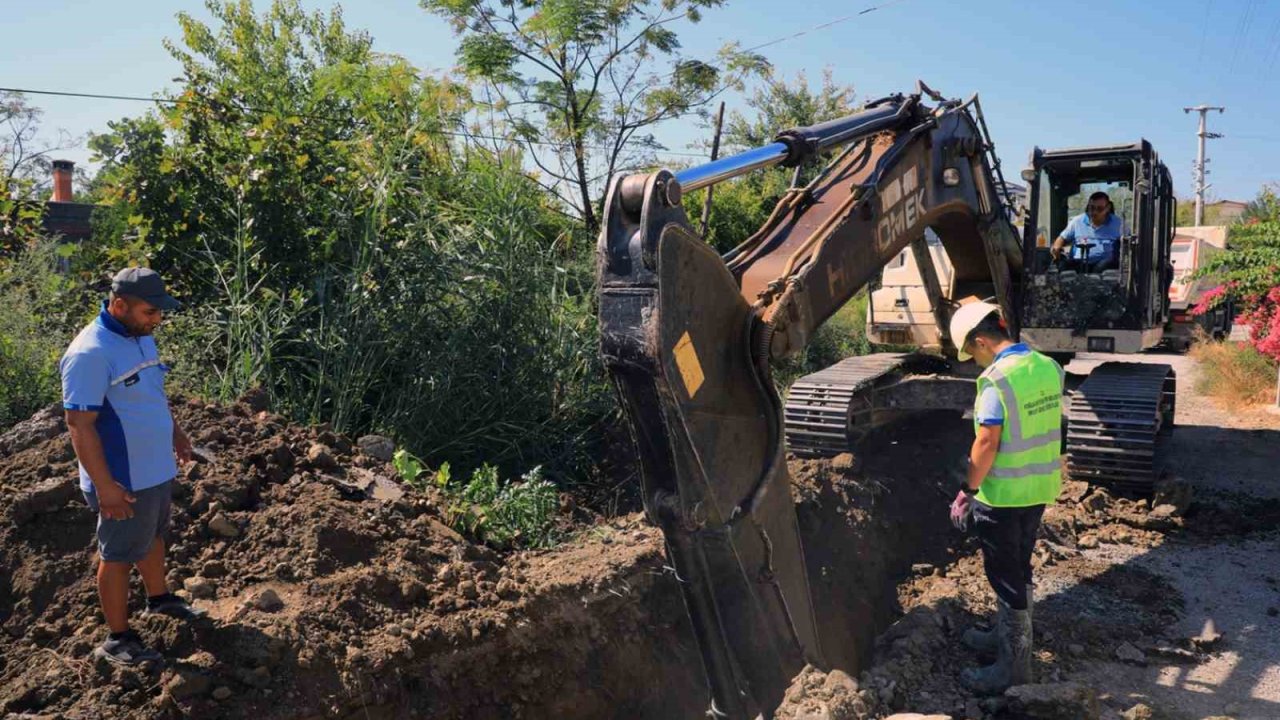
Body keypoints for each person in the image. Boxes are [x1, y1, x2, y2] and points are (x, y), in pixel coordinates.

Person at [60, 267, 204, 666]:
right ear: (119, 305)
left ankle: (159, 600)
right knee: (119, 554)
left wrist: (176, 433)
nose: (156, 319)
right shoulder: (90, 353)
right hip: (122, 478)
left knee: (153, 535)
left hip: (154, 468)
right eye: (149, 311)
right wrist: (106, 487)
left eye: (159, 312)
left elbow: (153, 394)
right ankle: (117, 639)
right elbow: (79, 425)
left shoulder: (139, 336)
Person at [947, 302, 1064, 694]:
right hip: (1037, 488)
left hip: (1003, 496)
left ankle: (1012, 668)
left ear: (981, 341)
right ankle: (1004, 635)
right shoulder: (1047, 367)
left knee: (1004, 574)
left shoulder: (996, 382)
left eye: (973, 353)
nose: (976, 362)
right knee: (1020, 566)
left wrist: (969, 489)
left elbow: (987, 441)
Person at [1049, 191, 1124, 272]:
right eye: (1091, 208)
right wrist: (1056, 248)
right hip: (1079, 262)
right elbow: (1062, 238)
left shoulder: (1119, 224)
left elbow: (1129, 242)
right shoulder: (1077, 221)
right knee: (1064, 266)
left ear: (1108, 208)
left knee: (1103, 266)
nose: (1094, 212)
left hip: (1105, 266)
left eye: (1099, 209)